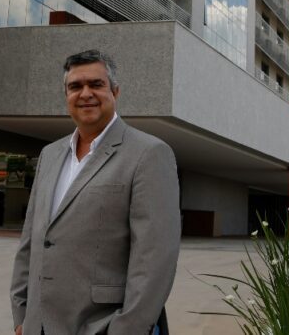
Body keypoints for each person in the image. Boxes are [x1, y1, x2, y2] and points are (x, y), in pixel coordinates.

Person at [10, 49, 181, 334]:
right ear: (66, 96)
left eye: (96, 84)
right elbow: (31, 239)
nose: (85, 93)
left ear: (115, 91)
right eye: (75, 86)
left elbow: (155, 257)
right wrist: (21, 313)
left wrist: (127, 328)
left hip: (101, 325)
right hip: (38, 325)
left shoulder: (149, 154)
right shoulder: (50, 155)